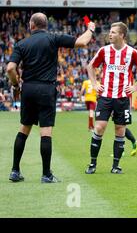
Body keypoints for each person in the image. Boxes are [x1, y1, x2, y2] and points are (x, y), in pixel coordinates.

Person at [7, 12, 96, 183]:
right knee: (45, 131)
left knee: (24, 129)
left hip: (28, 89)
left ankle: (15, 171)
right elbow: (83, 42)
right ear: (45, 25)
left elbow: (11, 68)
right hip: (46, 89)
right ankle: (46, 174)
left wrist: (16, 85)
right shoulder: (53, 38)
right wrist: (90, 29)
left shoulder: (21, 44)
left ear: (31, 25)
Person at [85, 22, 137, 174]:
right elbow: (90, 66)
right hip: (105, 97)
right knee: (99, 127)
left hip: (122, 98)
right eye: (110, 32)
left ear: (122, 35)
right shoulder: (104, 50)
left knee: (120, 130)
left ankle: (115, 166)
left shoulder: (132, 53)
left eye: (113, 32)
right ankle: (92, 164)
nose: (110, 34)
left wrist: (135, 87)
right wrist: (94, 83)